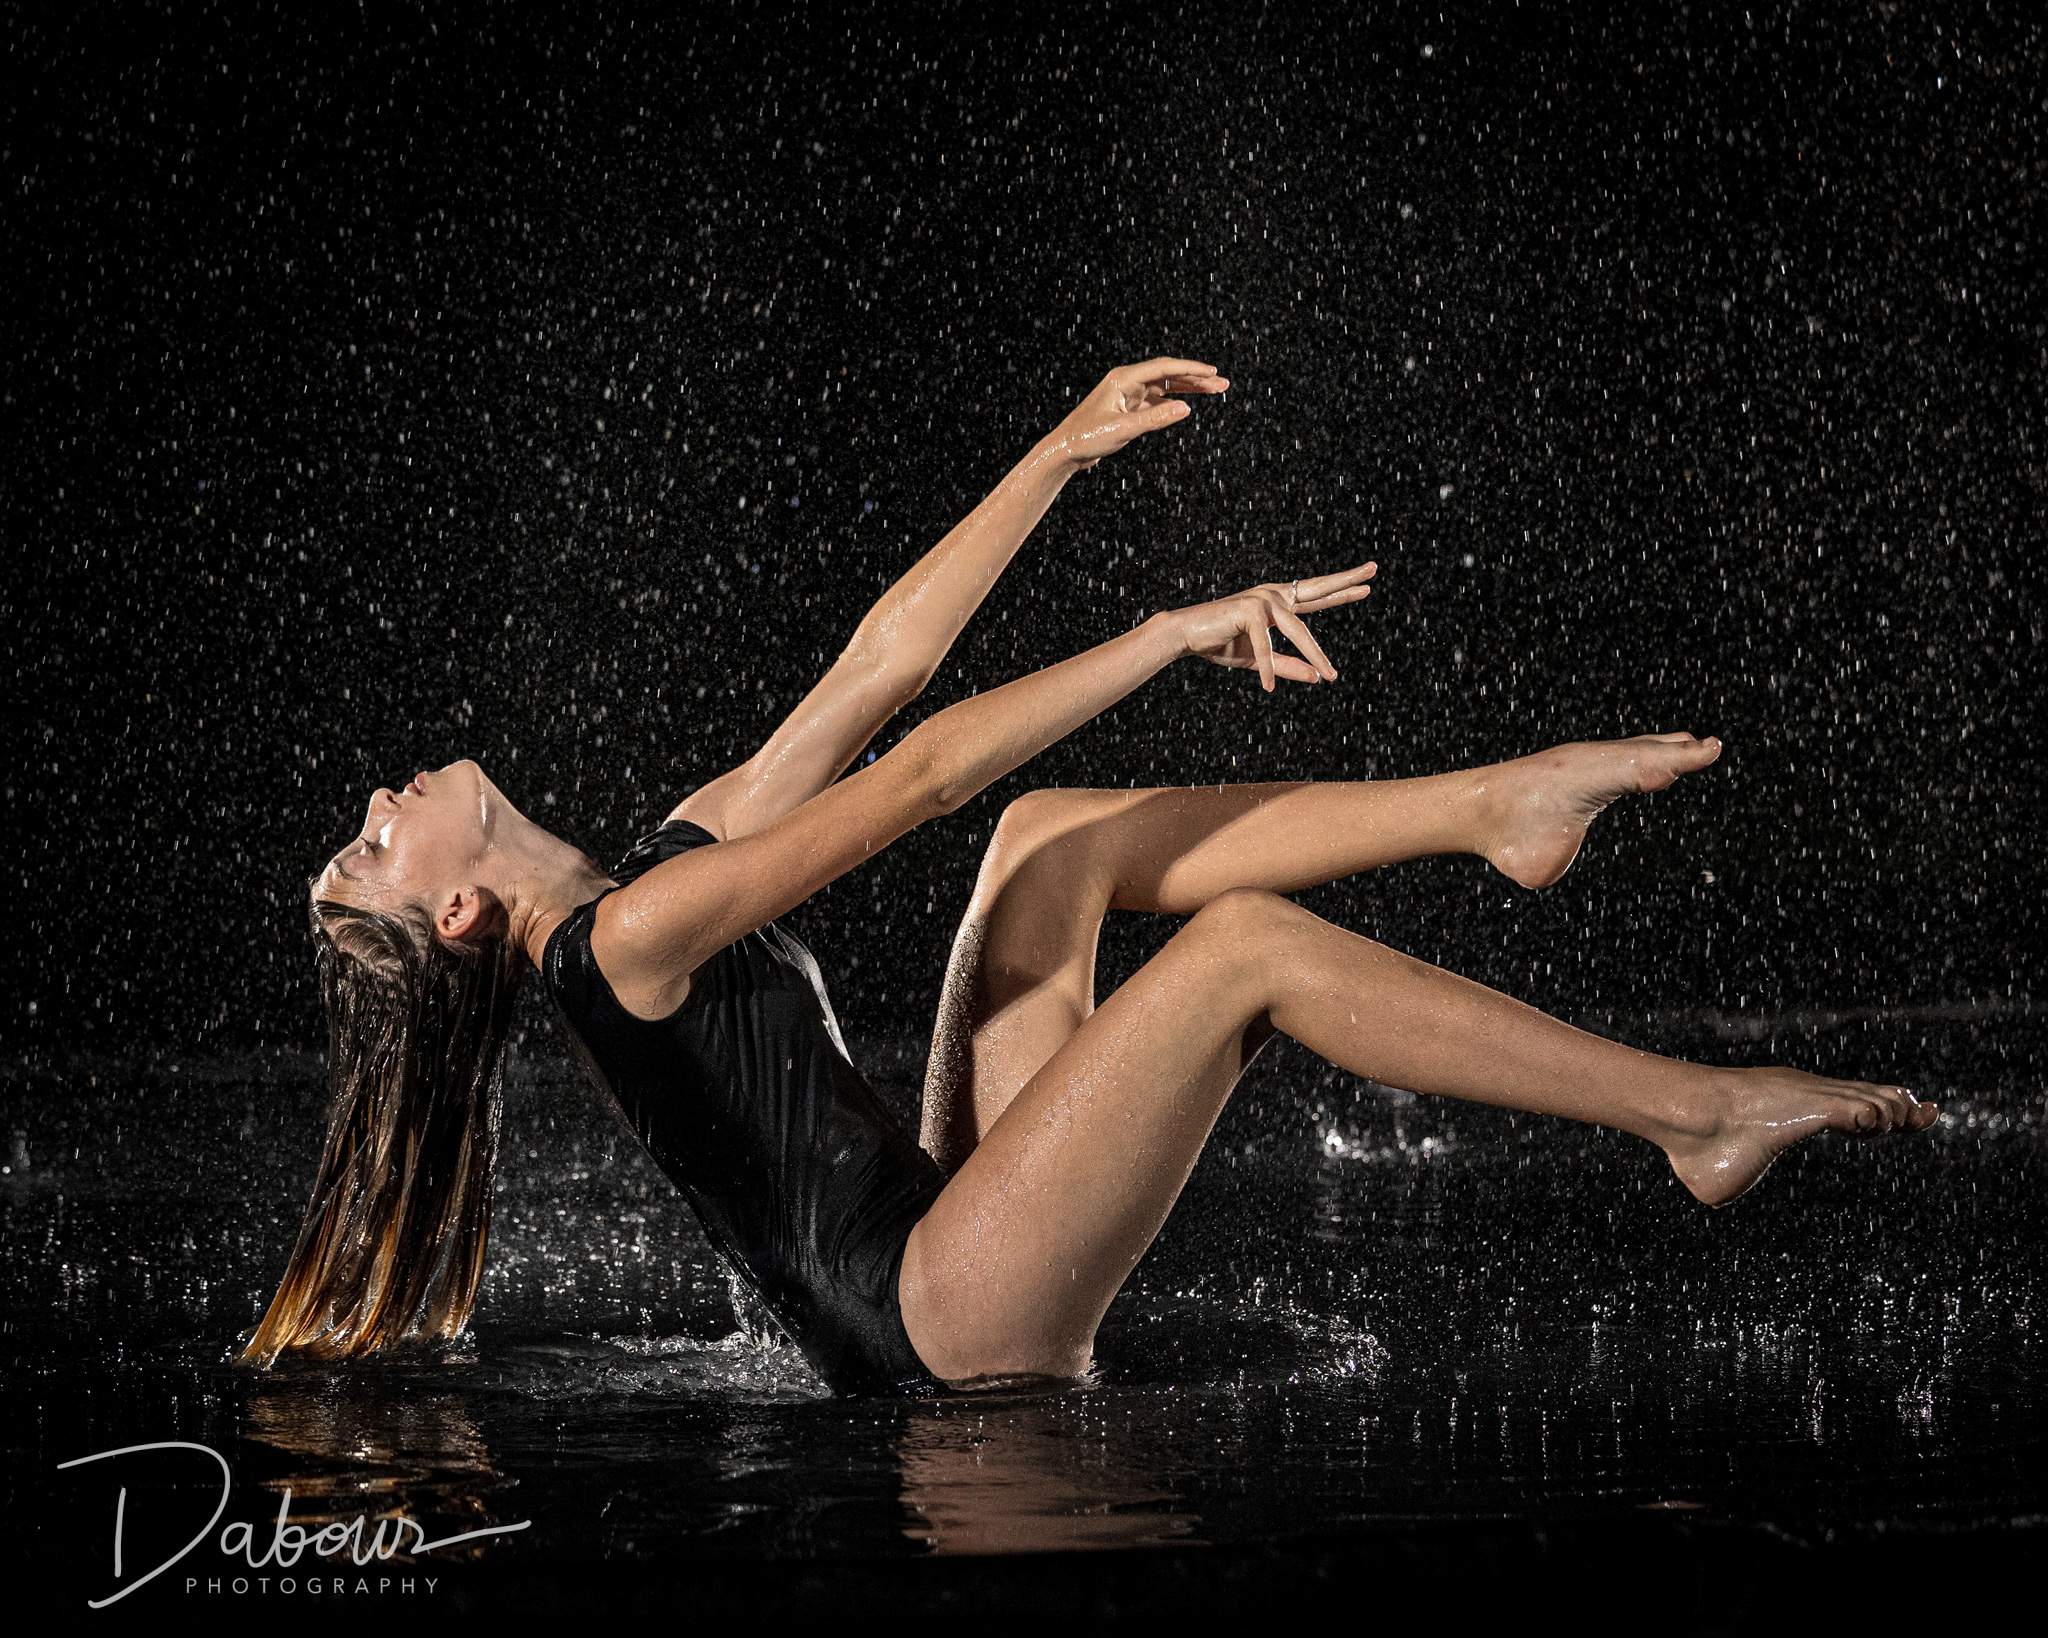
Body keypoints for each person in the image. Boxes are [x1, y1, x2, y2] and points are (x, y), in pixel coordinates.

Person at [245, 357, 1935, 1391]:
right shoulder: (625, 937)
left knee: (1048, 835)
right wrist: (1167, 631)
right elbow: (919, 776)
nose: (384, 799)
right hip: (930, 1324)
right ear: (454, 912)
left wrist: (1064, 446)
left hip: (930, 1230)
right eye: (372, 844)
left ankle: (1500, 805)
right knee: (1239, 949)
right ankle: (1694, 1116)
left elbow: (882, 669)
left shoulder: (658, 867)